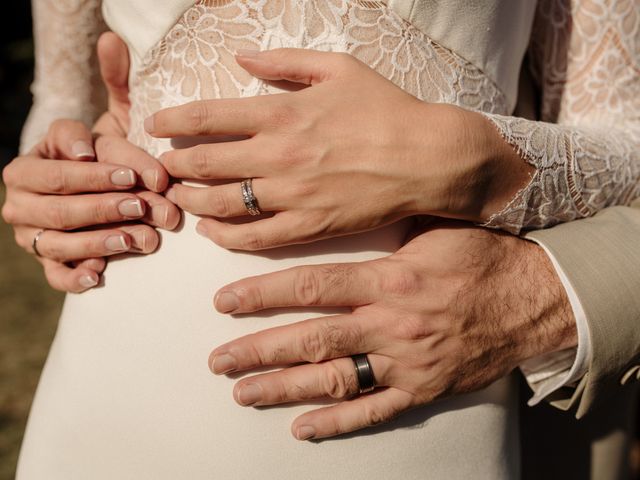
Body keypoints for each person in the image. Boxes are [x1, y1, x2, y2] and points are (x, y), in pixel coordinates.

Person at [2, 0, 639, 478]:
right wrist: (55, 179)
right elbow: (63, 98)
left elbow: (628, 143)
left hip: (412, 397)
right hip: (112, 386)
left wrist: (479, 162)